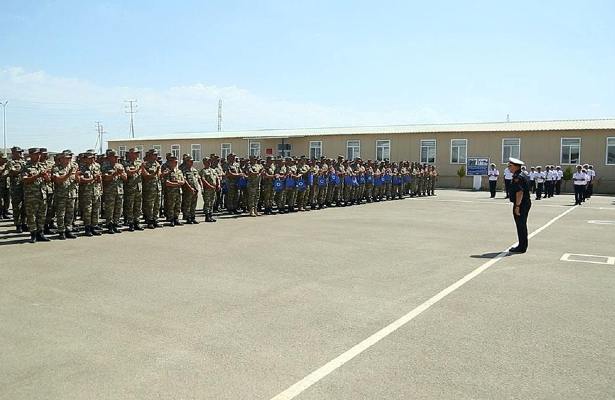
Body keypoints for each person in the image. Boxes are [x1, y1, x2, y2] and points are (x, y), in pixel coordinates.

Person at [22, 148, 51, 243]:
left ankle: (40, 233)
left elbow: (48, 180)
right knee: (31, 216)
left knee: (41, 215)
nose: (38, 156)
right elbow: (25, 180)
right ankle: (33, 234)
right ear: (30, 155)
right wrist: (38, 175)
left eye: (39, 154)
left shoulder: (42, 166)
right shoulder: (26, 166)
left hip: (42, 195)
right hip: (31, 195)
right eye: (36, 154)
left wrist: (46, 177)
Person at [51, 150, 78, 239]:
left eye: (69, 158)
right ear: (61, 159)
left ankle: (68, 230)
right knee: (60, 214)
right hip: (61, 195)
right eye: (66, 158)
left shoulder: (74, 166)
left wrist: (77, 177)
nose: (68, 160)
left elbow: (77, 180)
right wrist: (68, 174)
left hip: (72, 194)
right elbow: (58, 180)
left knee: (70, 214)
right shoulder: (56, 168)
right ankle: (61, 231)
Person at [507, 157, 531, 253]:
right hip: (524, 203)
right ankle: (522, 245)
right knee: (522, 225)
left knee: (521, 225)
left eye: (510, 166)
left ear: (516, 166)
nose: (509, 167)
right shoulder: (523, 174)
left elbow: (519, 192)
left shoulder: (518, 177)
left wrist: (517, 206)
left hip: (521, 204)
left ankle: (521, 247)